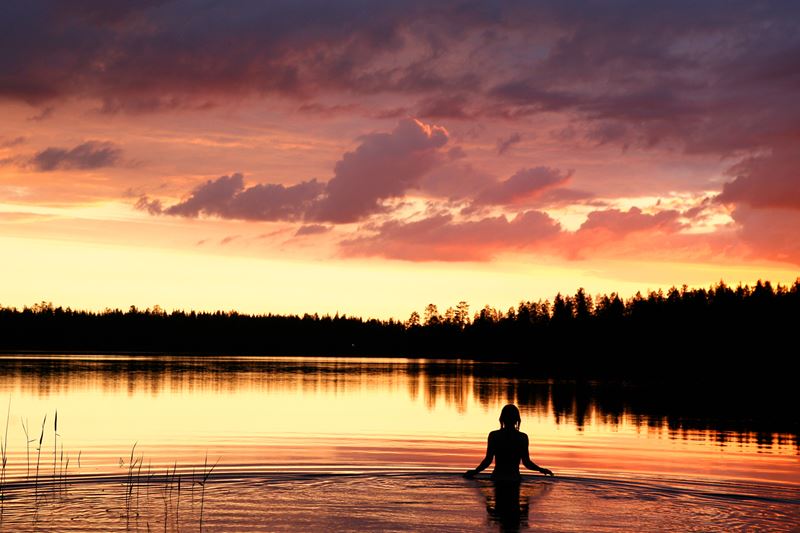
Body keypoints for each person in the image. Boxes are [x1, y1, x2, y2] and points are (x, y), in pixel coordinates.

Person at [464, 404, 554, 480]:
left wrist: (474, 472)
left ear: (502, 419)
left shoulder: (494, 436)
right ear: (517, 420)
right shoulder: (522, 437)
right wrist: (541, 470)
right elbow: (527, 463)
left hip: (497, 477)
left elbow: (488, 460)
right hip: (514, 478)